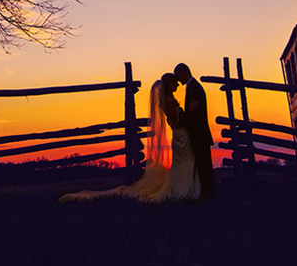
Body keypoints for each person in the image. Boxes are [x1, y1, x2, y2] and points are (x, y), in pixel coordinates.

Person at [58, 73, 200, 203]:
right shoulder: (168, 101)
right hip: (181, 137)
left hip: (182, 137)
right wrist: (191, 112)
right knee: (182, 163)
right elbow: (176, 122)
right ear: (169, 84)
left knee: (183, 164)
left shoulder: (169, 99)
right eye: (175, 82)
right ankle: (180, 190)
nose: (177, 85)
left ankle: (186, 188)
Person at [174, 62, 215, 199]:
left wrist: (178, 114)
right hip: (198, 133)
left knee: (203, 165)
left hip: (199, 133)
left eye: (178, 76)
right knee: (202, 164)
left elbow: (195, 115)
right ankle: (205, 192)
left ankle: (207, 193)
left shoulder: (194, 88)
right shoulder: (193, 87)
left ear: (183, 73)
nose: (178, 81)